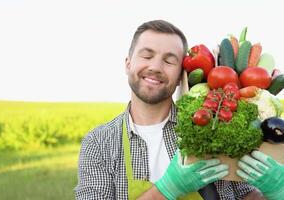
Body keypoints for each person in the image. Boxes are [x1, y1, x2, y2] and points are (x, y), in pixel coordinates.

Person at [74, 20, 270, 200]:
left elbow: (246, 196)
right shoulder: (99, 143)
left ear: (180, 76)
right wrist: (168, 188)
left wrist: (277, 190)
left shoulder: (211, 126)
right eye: (147, 55)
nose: (156, 66)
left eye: (169, 61)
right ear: (128, 64)